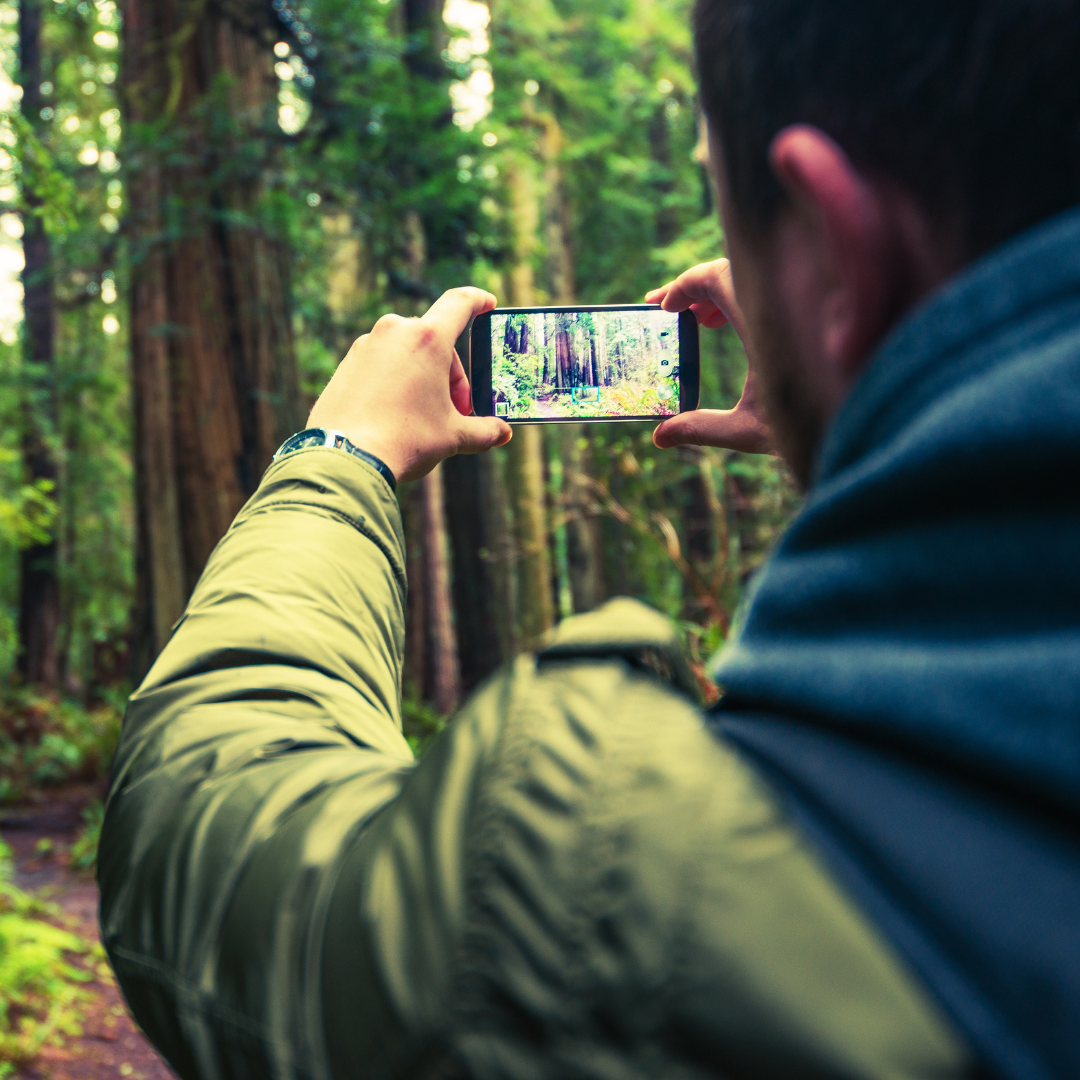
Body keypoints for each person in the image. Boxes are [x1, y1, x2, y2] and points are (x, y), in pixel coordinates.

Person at [99, 1, 1080, 1078]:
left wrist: (342, 452)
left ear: (835, 247)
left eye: (727, 197)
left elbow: (201, 810)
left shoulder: (603, 905)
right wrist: (857, 395)